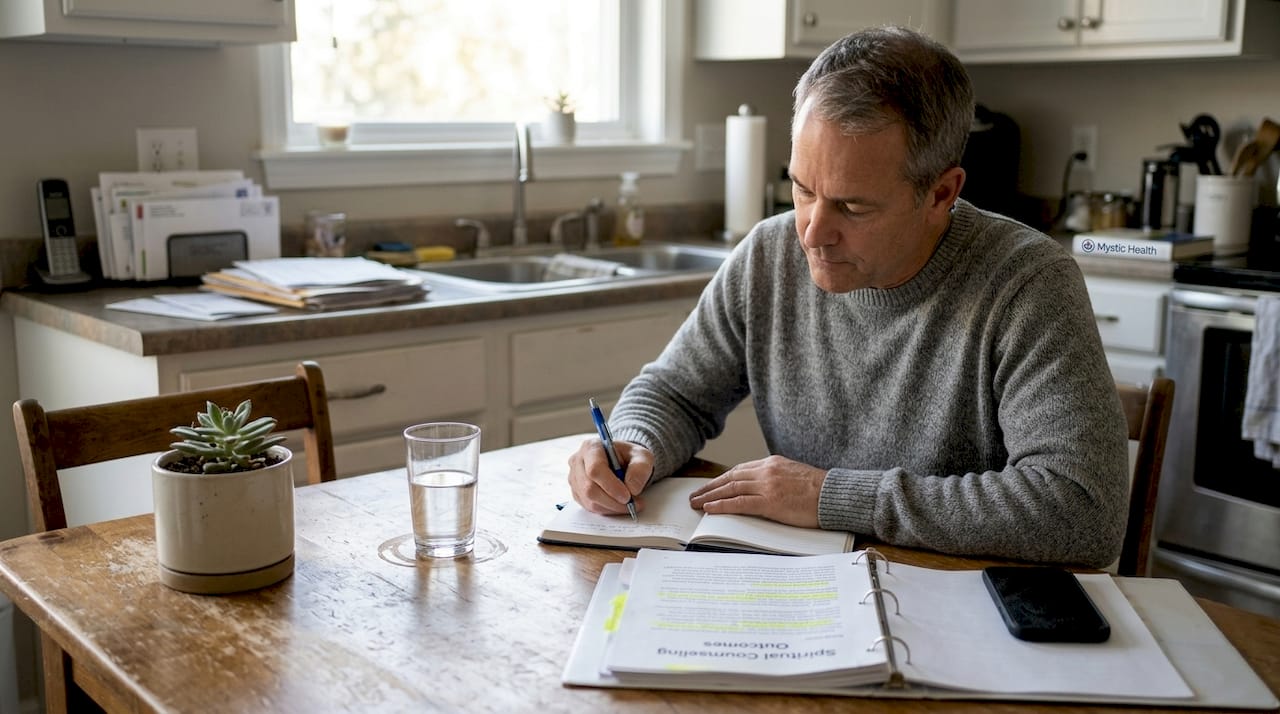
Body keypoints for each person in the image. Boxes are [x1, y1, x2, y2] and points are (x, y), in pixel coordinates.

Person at [567, 26, 1129, 568]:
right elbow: (675, 392)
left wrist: (830, 497)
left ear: (941, 193)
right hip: (807, 596)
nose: (811, 232)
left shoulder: (1027, 282)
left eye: (853, 207)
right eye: (803, 189)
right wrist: (631, 446)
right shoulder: (768, 255)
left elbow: (1081, 509)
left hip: (965, 616)